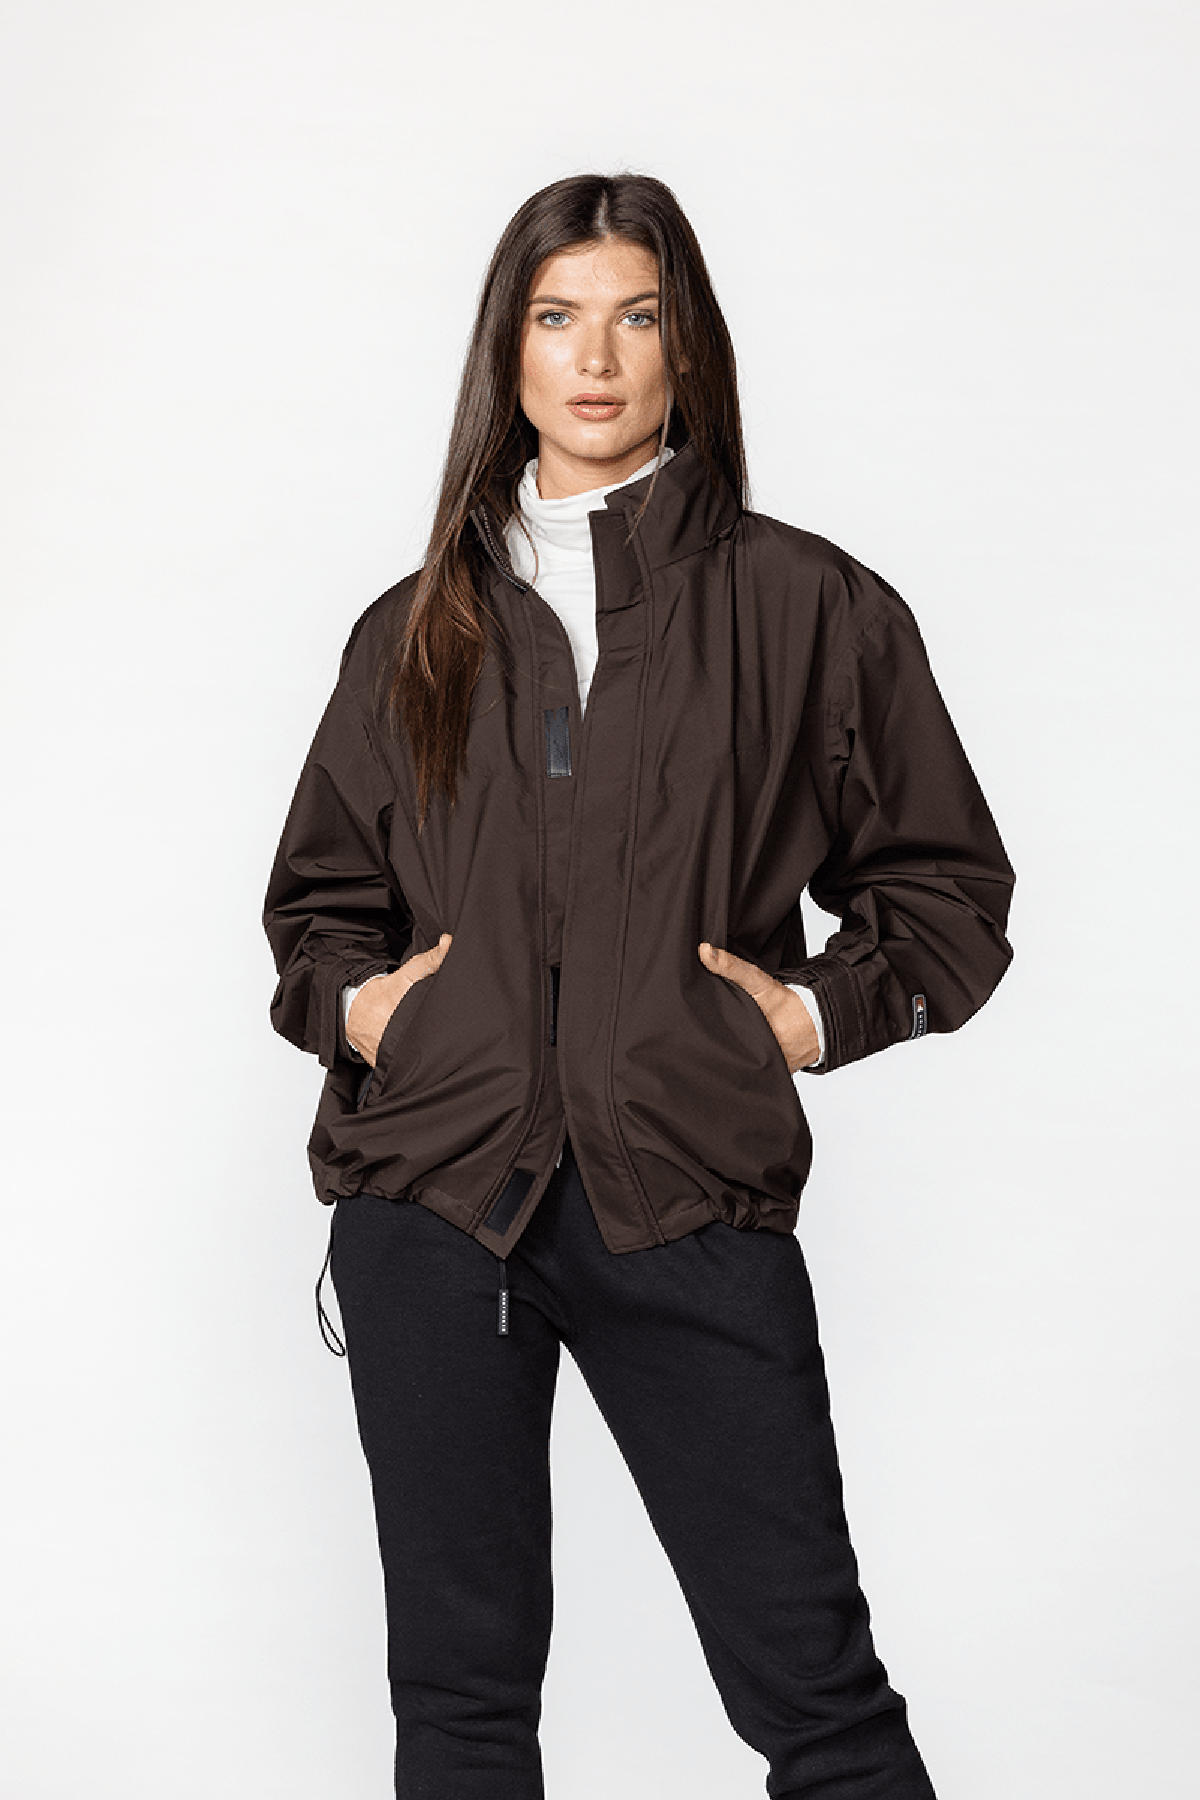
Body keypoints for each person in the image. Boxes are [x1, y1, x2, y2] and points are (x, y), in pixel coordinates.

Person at [263, 172, 1014, 1799]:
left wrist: (815, 1013)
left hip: (684, 1192)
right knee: (458, 1709)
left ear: (689, 348)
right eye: (556, 317)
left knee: (819, 1701)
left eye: (636, 316)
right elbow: (319, 905)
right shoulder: (417, 626)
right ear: (510, 351)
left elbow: (950, 894)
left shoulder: (809, 607)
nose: (595, 358)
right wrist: (365, 1008)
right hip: (433, 1206)